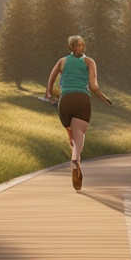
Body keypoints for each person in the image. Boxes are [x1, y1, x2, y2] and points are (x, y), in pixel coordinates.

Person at [45, 35, 112, 190]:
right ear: (77, 47)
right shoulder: (89, 62)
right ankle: (75, 160)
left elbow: (51, 78)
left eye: (82, 45)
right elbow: (94, 87)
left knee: (72, 135)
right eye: (80, 45)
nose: (82, 47)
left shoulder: (62, 61)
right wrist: (103, 98)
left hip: (65, 101)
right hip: (82, 100)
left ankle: (76, 163)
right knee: (79, 133)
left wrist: (49, 93)